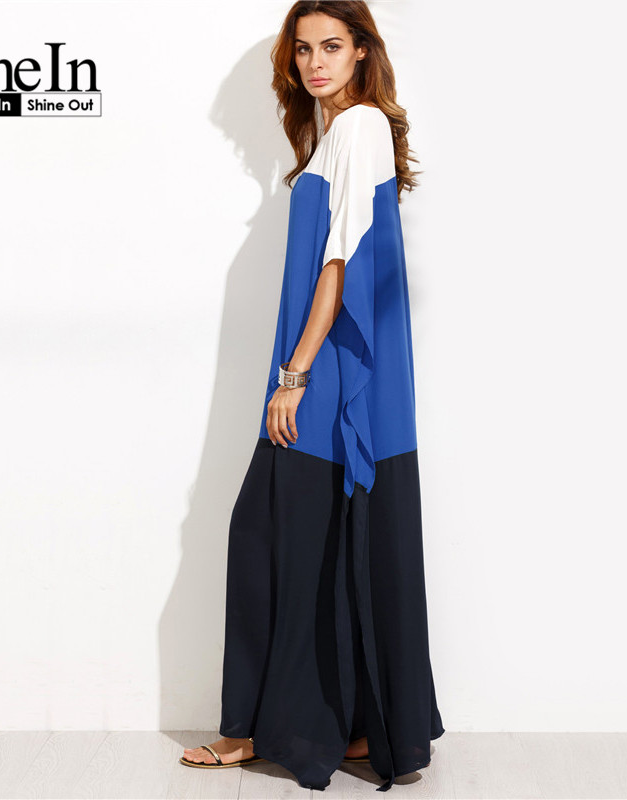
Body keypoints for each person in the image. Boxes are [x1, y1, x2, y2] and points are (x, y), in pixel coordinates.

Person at [180, 0, 445, 791]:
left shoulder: (359, 126)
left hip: (330, 377)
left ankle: (248, 732)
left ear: (362, 52)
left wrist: (294, 375)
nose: (314, 63)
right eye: (303, 50)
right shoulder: (334, 136)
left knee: (266, 537)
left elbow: (339, 265)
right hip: (334, 372)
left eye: (331, 46)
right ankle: (357, 725)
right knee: (318, 542)